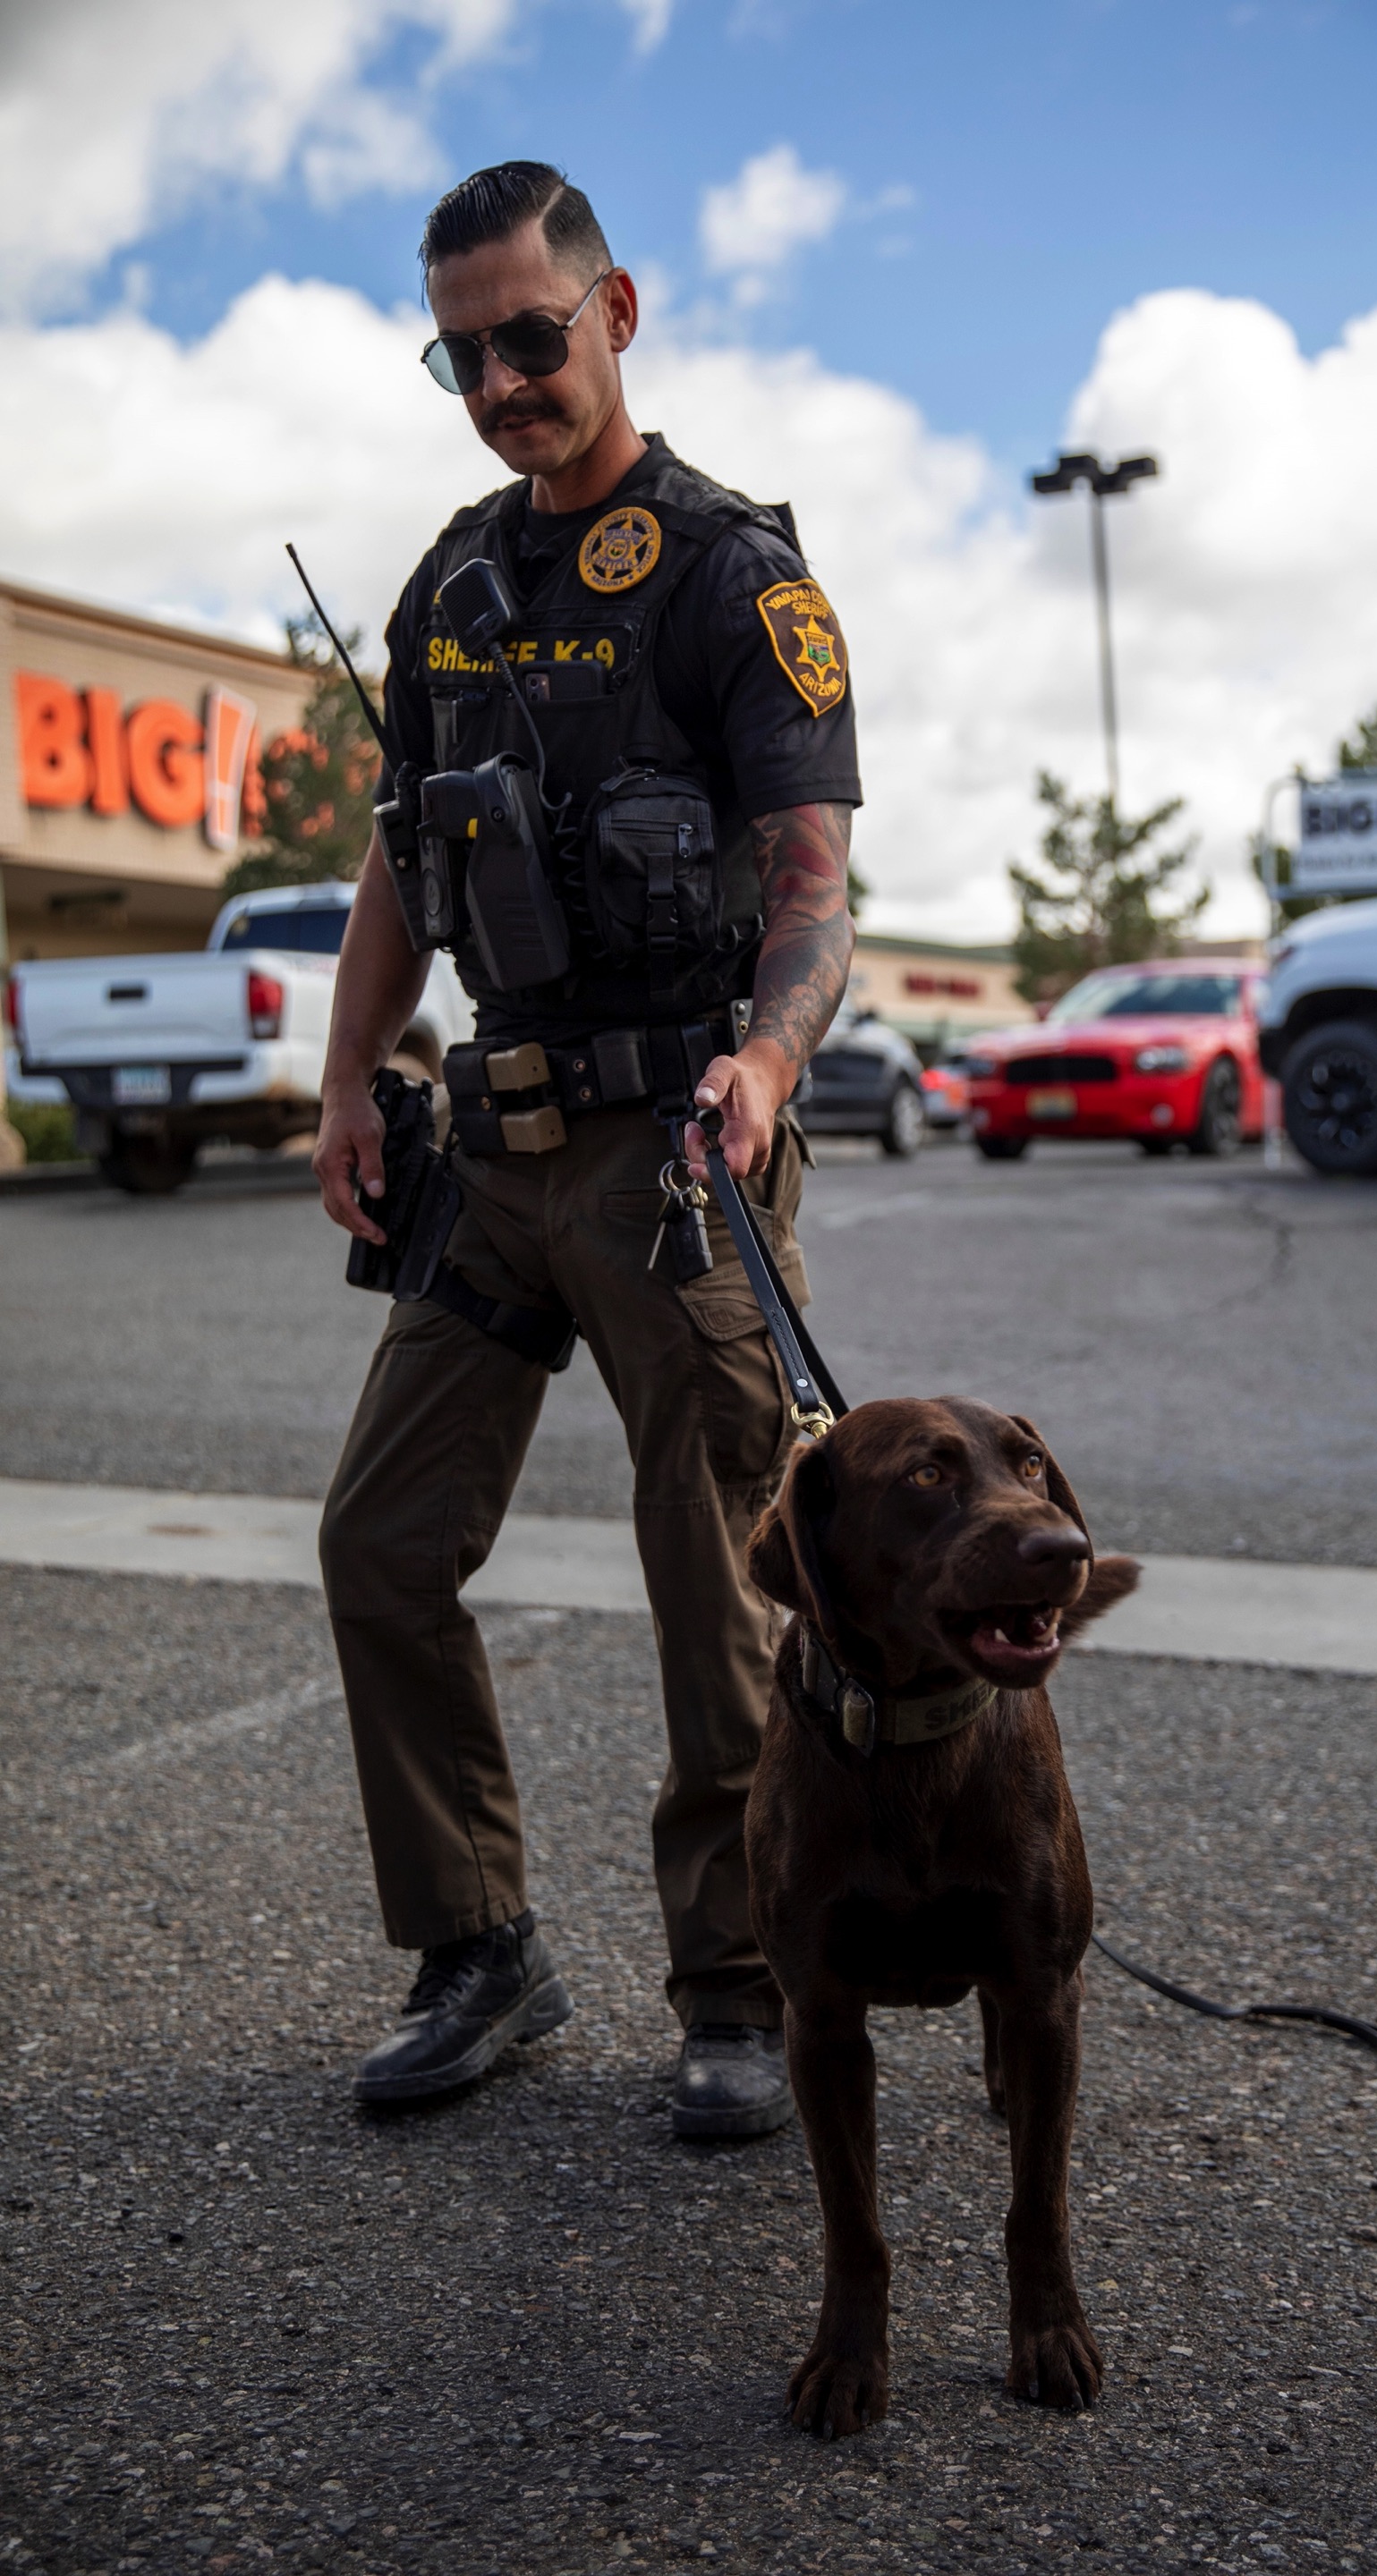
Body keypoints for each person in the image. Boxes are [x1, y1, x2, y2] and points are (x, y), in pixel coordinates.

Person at [313, 161, 859, 2140]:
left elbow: (813, 886)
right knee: (380, 1541)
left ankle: (740, 1989)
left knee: (718, 1580)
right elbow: (400, 851)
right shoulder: (452, 580)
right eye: (458, 354)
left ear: (617, 308)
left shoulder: (733, 574)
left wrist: (771, 1068)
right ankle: (480, 1949)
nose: (497, 383)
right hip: (498, 1141)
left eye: (529, 339)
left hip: (675, 1145)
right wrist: (355, 1072)